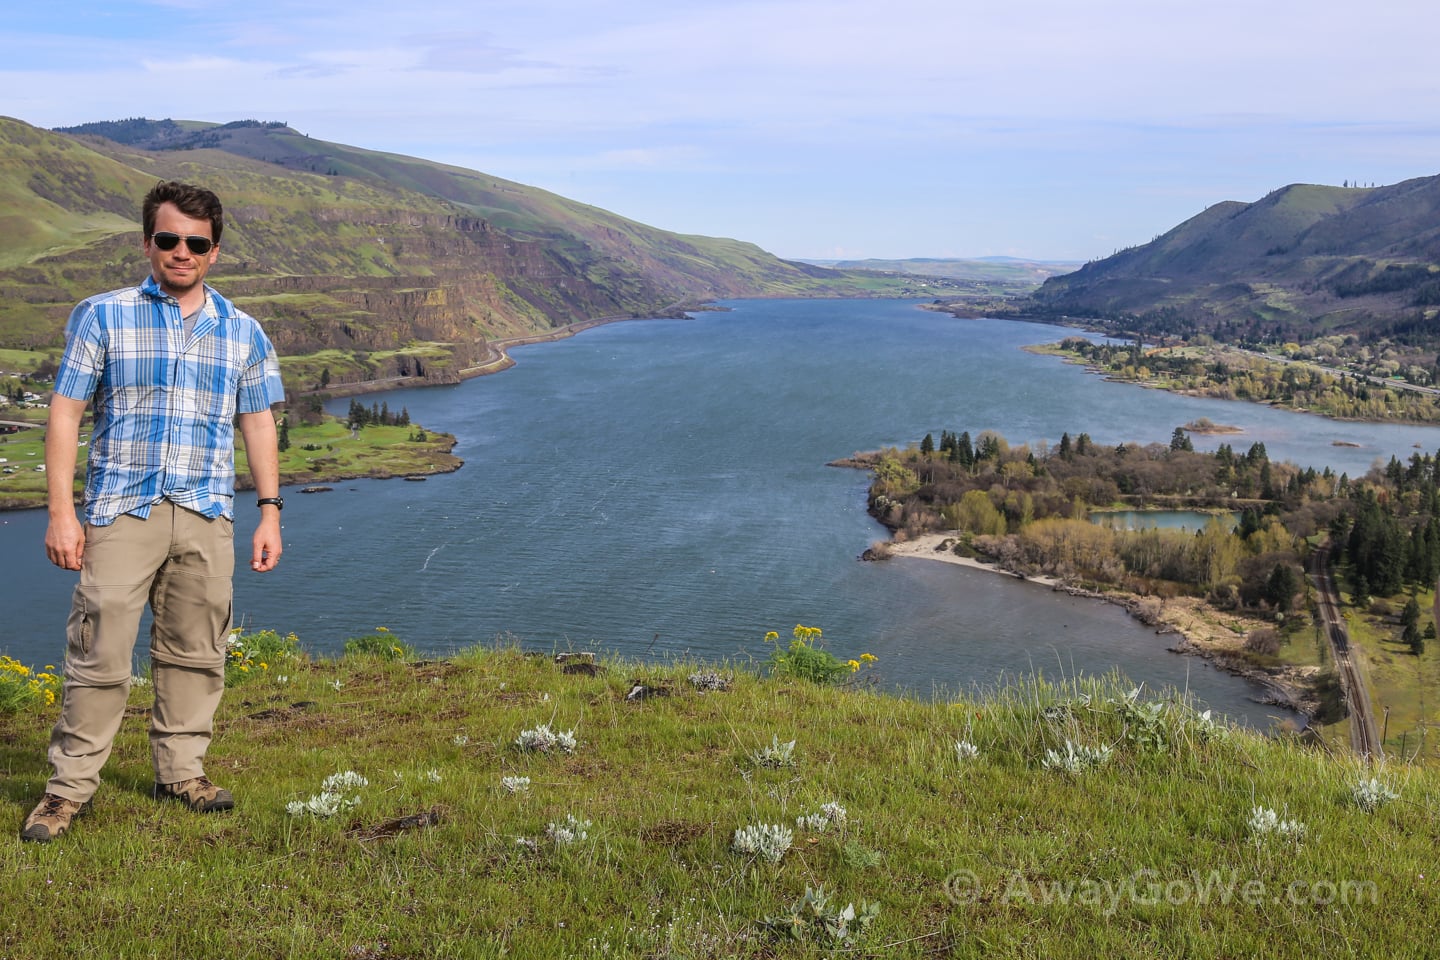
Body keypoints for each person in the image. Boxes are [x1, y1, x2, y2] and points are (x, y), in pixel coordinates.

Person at [22, 181, 286, 843]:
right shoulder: (101, 315)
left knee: (198, 652)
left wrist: (272, 512)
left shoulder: (243, 331)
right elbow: (65, 413)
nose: (181, 252)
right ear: (147, 243)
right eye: (168, 239)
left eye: (196, 243)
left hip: (206, 511)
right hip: (120, 512)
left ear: (214, 251)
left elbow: (256, 423)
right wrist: (61, 511)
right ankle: (66, 792)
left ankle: (182, 774)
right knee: (99, 654)